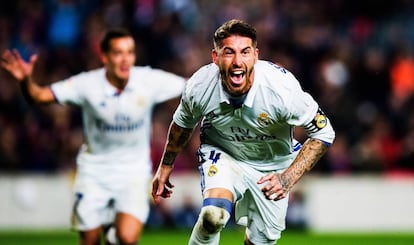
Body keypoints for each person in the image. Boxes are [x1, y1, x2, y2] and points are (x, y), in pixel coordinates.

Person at [151, 19, 335, 245]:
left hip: (273, 166)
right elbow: (182, 124)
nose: (237, 61)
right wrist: (165, 165)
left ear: (255, 56)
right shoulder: (200, 86)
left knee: (261, 240)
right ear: (216, 58)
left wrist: (286, 179)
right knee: (213, 217)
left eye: (245, 52)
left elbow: (324, 133)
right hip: (223, 153)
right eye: (229, 53)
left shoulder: (281, 90)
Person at [1, 28, 186, 245]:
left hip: (133, 172)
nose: (125, 59)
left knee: (127, 238)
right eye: (118, 53)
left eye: (130, 52)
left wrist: (223, 72)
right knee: (89, 240)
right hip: (95, 170)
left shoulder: (148, 80)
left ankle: (113, 238)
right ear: (105, 57)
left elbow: (191, 86)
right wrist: (26, 81)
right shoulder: (86, 84)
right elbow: (40, 96)